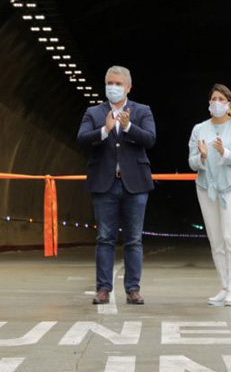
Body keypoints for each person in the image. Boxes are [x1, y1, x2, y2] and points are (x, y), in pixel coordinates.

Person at [77, 66, 156, 306]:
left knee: (133, 239)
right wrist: (105, 130)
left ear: (129, 87)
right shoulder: (94, 112)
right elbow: (82, 138)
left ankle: (133, 289)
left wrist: (129, 126)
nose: (113, 87)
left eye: (118, 84)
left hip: (136, 184)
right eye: (110, 83)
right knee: (105, 238)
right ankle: (103, 288)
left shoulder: (142, 111)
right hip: (105, 184)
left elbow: (150, 139)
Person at [188, 84, 231, 306]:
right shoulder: (199, 129)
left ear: (229, 105)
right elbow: (192, 161)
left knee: (228, 236)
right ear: (209, 104)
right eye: (213, 99)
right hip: (206, 188)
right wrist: (203, 157)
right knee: (215, 239)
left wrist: (225, 152)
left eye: (221, 99)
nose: (217, 102)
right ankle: (224, 286)